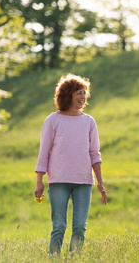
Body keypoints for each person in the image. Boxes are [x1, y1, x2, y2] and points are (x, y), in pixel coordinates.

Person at [34, 74, 107, 255]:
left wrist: (100, 183)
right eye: (79, 93)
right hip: (58, 180)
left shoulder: (89, 122)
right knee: (59, 226)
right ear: (67, 94)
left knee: (80, 227)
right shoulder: (53, 120)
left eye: (84, 93)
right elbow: (44, 152)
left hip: (83, 181)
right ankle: (54, 259)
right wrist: (39, 180)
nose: (83, 97)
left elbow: (94, 154)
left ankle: (74, 259)